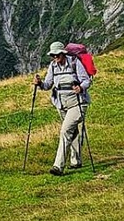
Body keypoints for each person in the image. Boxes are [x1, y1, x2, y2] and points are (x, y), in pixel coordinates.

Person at [33, 41, 91, 175]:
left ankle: (58, 166)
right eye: (53, 56)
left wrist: (80, 87)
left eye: (57, 55)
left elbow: (87, 80)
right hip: (61, 104)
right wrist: (40, 83)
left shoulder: (75, 63)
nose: (55, 58)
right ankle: (76, 161)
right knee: (73, 131)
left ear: (63, 53)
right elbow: (48, 85)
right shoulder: (53, 66)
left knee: (65, 131)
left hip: (78, 103)